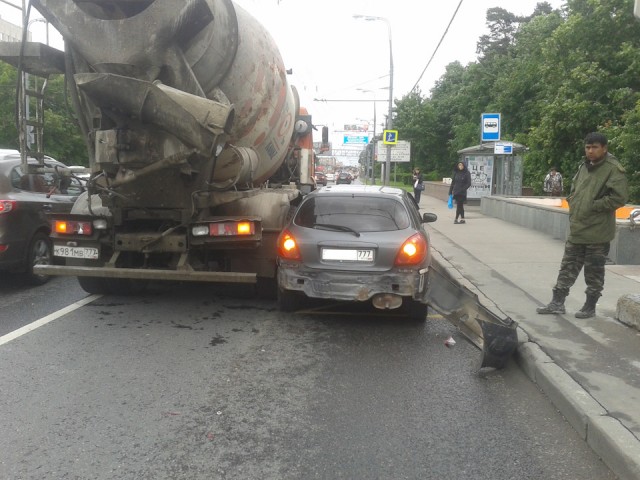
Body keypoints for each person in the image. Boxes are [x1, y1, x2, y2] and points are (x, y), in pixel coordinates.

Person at [537, 132, 628, 319]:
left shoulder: (613, 169)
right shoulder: (584, 166)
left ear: (604, 148)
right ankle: (557, 302)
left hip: (598, 231)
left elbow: (619, 197)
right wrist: (573, 200)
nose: (590, 151)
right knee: (567, 266)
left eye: (595, 147)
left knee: (594, 271)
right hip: (578, 227)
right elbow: (575, 188)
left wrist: (593, 206)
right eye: (588, 147)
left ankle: (590, 305)